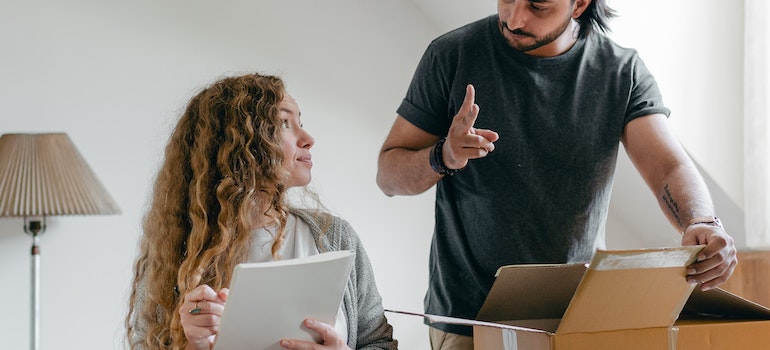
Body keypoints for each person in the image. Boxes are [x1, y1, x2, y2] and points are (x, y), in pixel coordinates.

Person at [376, 0, 737, 349]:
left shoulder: (620, 71)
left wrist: (702, 221)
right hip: (469, 322)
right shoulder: (452, 54)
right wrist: (444, 155)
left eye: (538, 5)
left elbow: (669, 166)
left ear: (579, 4)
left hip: (577, 318)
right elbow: (388, 175)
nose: (514, 18)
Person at [126, 73, 398, 350]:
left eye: (300, 123)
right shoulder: (176, 253)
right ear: (235, 143)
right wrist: (192, 344)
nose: (308, 139)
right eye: (284, 123)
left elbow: (380, 343)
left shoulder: (334, 237)